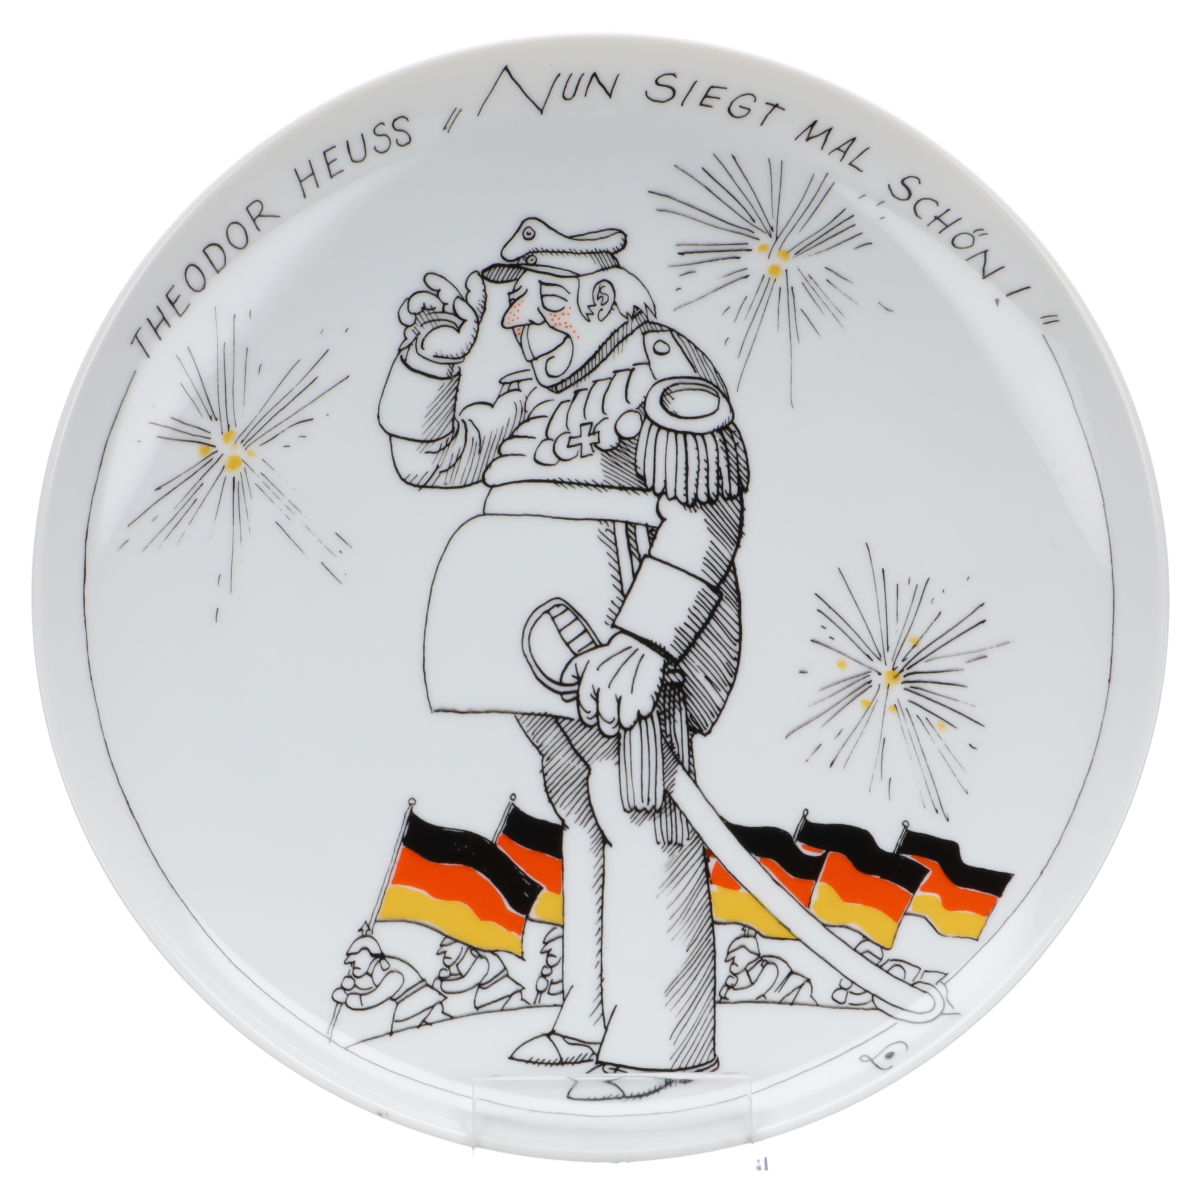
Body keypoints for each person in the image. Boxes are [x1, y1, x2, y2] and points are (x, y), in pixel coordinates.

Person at [379, 218, 748, 1100]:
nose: (516, 320)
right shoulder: (530, 389)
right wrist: (433, 364)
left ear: (603, 297)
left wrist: (645, 639)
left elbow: (706, 514)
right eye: (516, 300)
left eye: (542, 300)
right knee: (578, 806)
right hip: (531, 645)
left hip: (615, 635)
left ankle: (658, 1042)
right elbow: (435, 461)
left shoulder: (658, 368)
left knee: (640, 806)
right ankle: (588, 1016)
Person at [332, 933, 446, 1034]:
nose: (352, 966)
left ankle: (436, 1017)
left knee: (401, 1034)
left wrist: (348, 999)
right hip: (416, 1003)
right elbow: (371, 986)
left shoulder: (388, 971)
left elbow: (374, 997)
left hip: (418, 1002)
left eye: (354, 962)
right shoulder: (379, 968)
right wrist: (352, 989)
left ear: (367, 953)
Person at [434, 938, 524, 1016]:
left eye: (447, 950)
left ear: (461, 945)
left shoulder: (480, 958)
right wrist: (445, 977)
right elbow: (461, 977)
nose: (443, 953)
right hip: (491, 995)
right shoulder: (466, 960)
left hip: (503, 994)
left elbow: (466, 983)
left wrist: (442, 985)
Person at [719, 932, 815, 1006]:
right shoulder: (749, 971)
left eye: (734, 957)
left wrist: (730, 994)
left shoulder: (770, 967)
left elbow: (754, 992)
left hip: (797, 992)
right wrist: (731, 985)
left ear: (749, 952)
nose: (731, 962)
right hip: (782, 1003)